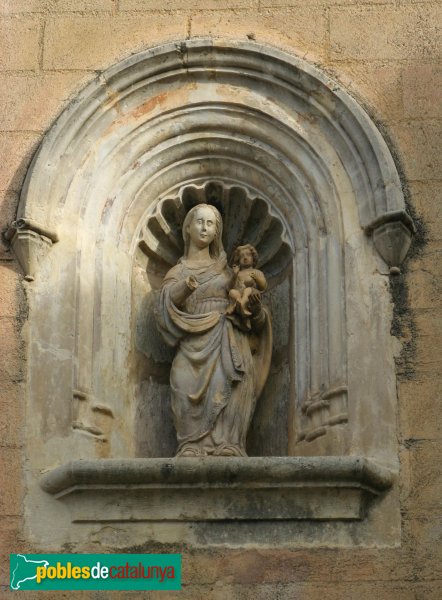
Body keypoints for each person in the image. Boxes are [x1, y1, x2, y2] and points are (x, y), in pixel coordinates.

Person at [155, 203, 272, 457]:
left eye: (210, 223)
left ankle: (228, 445)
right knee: (182, 381)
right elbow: (165, 304)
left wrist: (255, 309)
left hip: (228, 339)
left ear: (217, 231)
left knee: (228, 383)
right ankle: (190, 446)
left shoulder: (229, 271)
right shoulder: (179, 271)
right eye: (199, 222)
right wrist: (186, 286)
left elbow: (258, 321)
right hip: (192, 339)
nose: (204, 228)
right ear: (187, 227)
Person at [227, 244, 267, 321]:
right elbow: (229, 288)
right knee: (232, 292)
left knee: (248, 290)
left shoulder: (256, 272)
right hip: (238, 295)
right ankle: (240, 304)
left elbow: (263, 286)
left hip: (252, 298)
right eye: (242, 256)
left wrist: (258, 279)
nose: (245, 258)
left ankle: (241, 304)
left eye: (248, 255)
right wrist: (234, 275)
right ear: (238, 260)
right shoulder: (237, 273)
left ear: (253, 257)